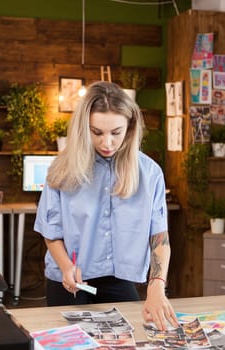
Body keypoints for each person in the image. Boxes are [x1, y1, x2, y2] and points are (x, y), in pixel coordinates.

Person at [34, 81, 178, 331]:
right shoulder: (62, 169)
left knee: (132, 337)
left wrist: (157, 284)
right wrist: (67, 267)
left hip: (117, 279)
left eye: (116, 132)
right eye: (97, 132)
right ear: (83, 128)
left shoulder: (150, 173)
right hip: (68, 280)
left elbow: (159, 237)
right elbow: (51, 233)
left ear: (130, 127)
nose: (107, 143)